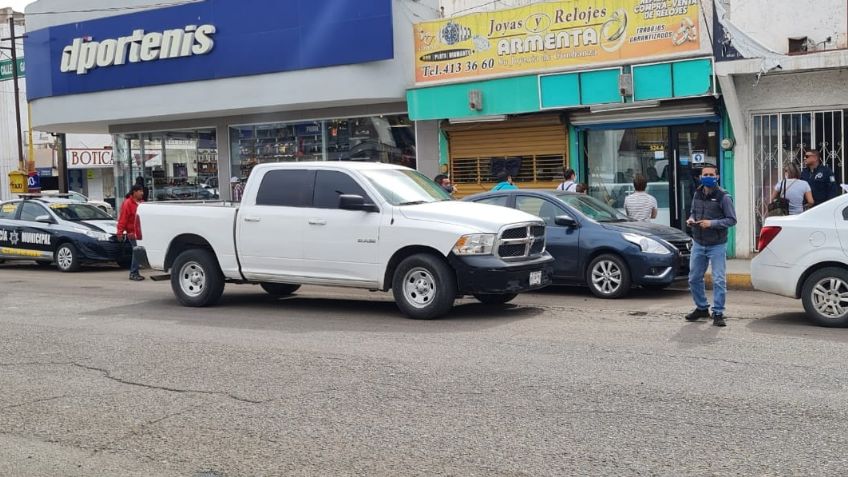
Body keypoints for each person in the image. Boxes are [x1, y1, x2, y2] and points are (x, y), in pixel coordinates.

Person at [685, 164, 737, 327]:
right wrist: (691, 219)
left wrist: (711, 223)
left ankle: (718, 312)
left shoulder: (723, 197)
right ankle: (701, 308)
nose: (708, 176)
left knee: (719, 279)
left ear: (717, 177)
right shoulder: (697, 193)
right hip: (698, 242)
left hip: (717, 245)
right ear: (700, 177)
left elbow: (732, 220)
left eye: (711, 174)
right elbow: (694, 211)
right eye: (705, 174)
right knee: (694, 278)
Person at [117, 185, 145, 281]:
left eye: (142, 191)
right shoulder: (128, 203)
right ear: (134, 192)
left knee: (138, 252)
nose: (142, 193)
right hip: (132, 233)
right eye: (140, 191)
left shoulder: (141, 203)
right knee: (137, 252)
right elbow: (123, 219)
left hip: (141, 233)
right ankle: (133, 273)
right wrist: (120, 232)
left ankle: (135, 272)